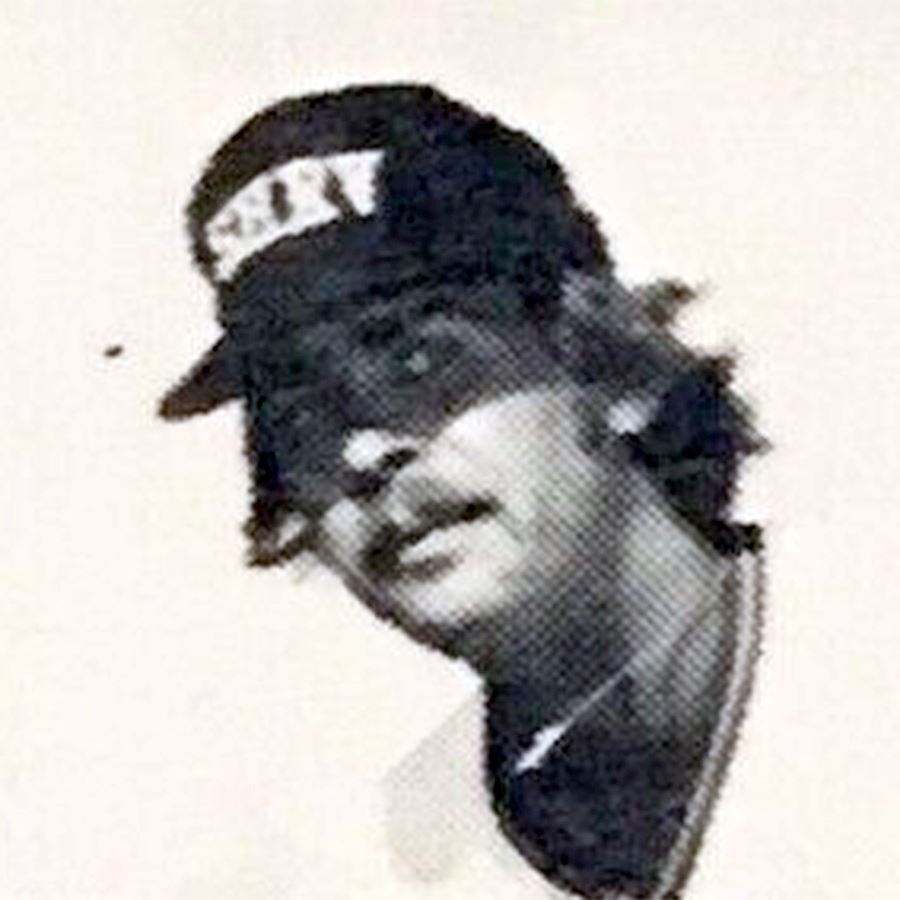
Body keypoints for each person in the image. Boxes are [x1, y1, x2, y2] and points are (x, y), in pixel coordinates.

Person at [160, 84, 764, 899]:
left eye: (419, 360)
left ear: (604, 360)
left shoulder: (864, 658)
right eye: (302, 413)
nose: (362, 447)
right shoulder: (367, 870)